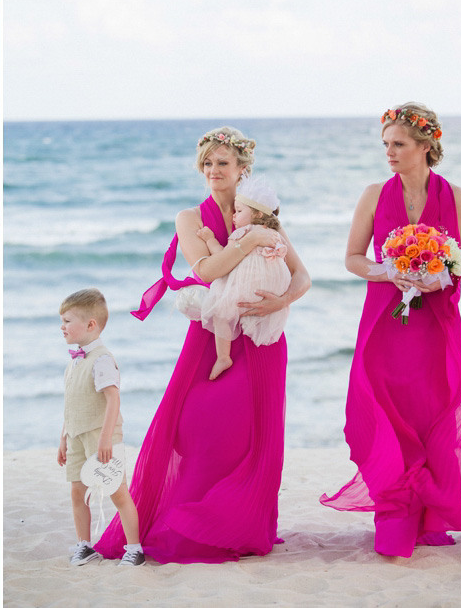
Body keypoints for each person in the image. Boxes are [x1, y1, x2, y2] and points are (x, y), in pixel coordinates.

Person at [95, 127, 310, 564]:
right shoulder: (190, 218)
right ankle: (191, 518)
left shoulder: (264, 216)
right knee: (199, 423)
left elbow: (303, 276)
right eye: (207, 164)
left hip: (264, 341)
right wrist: (248, 241)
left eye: (223, 163)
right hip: (211, 338)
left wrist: (280, 301)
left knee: (255, 432)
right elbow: (208, 271)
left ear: (242, 170)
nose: (213, 171)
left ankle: (243, 524)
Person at [321, 103, 461, 557]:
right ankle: (394, 512)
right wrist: (388, 273)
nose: (389, 152)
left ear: (426, 146)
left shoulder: (457, 196)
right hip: (385, 324)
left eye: (398, 144)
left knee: (432, 412)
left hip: (435, 326)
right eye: (385, 144)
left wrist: (436, 276)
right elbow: (352, 257)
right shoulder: (373, 195)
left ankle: (428, 516)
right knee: (387, 412)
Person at [57, 289, 143, 567]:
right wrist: (63, 438)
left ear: (91, 325)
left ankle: (135, 549)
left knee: (117, 492)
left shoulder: (102, 359)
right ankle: (84, 545)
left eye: (68, 320)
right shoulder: (74, 361)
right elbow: (71, 402)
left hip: (101, 435)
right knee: (77, 492)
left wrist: (106, 439)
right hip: (77, 435)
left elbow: (113, 399)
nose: (62, 326)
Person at [197, 175, 290, 380]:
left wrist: (210, 239)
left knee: (221, 312)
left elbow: (222, 255)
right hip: (274, 287)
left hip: (249, 286)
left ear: (256, 213)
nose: (234, 216)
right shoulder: (274, 233)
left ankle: (223, 357)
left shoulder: (245, 232)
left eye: (239, 211)